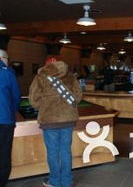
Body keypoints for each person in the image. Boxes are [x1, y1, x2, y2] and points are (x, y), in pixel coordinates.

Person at [29, 57, 82, 187]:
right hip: (68, 119)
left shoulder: (40, 77)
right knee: (66, 151)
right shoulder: (70, 76)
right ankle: (67, 181)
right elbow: (78, 97)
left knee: (52, 152)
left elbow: (34, 100)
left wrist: (46, 104)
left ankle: (55, 181)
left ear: (46, 66)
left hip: (49, 120)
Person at [0, 49, 21, 187]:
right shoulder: (8, 73)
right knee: (4, 154)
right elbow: (16, 97)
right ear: (3, 58)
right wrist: (11, 112)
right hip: (5, 120)